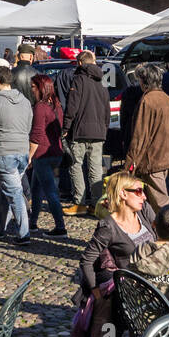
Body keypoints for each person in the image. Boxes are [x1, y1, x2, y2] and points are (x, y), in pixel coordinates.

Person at [75, 173, 155, 337]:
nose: (144, 196)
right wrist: (97, 294)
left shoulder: (143, 212)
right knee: (139, 335)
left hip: (155, 282)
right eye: (138, 191)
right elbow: (86, 260)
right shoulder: (108, 227)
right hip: (131, 292)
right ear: (123, 194)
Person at [0, 64, 34, 244]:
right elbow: (28, 128)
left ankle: (24, 234)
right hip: (22, 152)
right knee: (8, 191)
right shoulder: (25, 101)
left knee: (15, 194)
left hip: (5, 152)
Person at [126, 62, 169, 210]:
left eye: (140, 80)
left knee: (161, 203)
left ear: (144, 81)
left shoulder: (148, 100)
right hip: (161, 159)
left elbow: (139, 137)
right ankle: (156, 232)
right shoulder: (167, 99)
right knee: (149, 205)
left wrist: (129, 164)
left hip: (153, 161)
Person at [63, 51, 109, 215]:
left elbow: (72, 107)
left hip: (80, 130)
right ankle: (97, 205)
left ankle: (80, 203)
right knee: (95, 168)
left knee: (76, 165)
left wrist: (66, 127)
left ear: (80, 63)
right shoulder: (102, 81)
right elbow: (107, 108)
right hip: (98, 132)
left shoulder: (79, 79)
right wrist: (105, 127)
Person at [28, 73, 67, 237]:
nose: (31, 89)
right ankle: (33, 223)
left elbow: (36, 135)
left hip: (42, 153)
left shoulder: (40, 107)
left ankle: (60, 227)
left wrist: (29, 156)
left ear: (40, 87)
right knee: (36, 188)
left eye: (33, 86)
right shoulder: (56, 105)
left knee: (50, 191)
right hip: (55, 152)